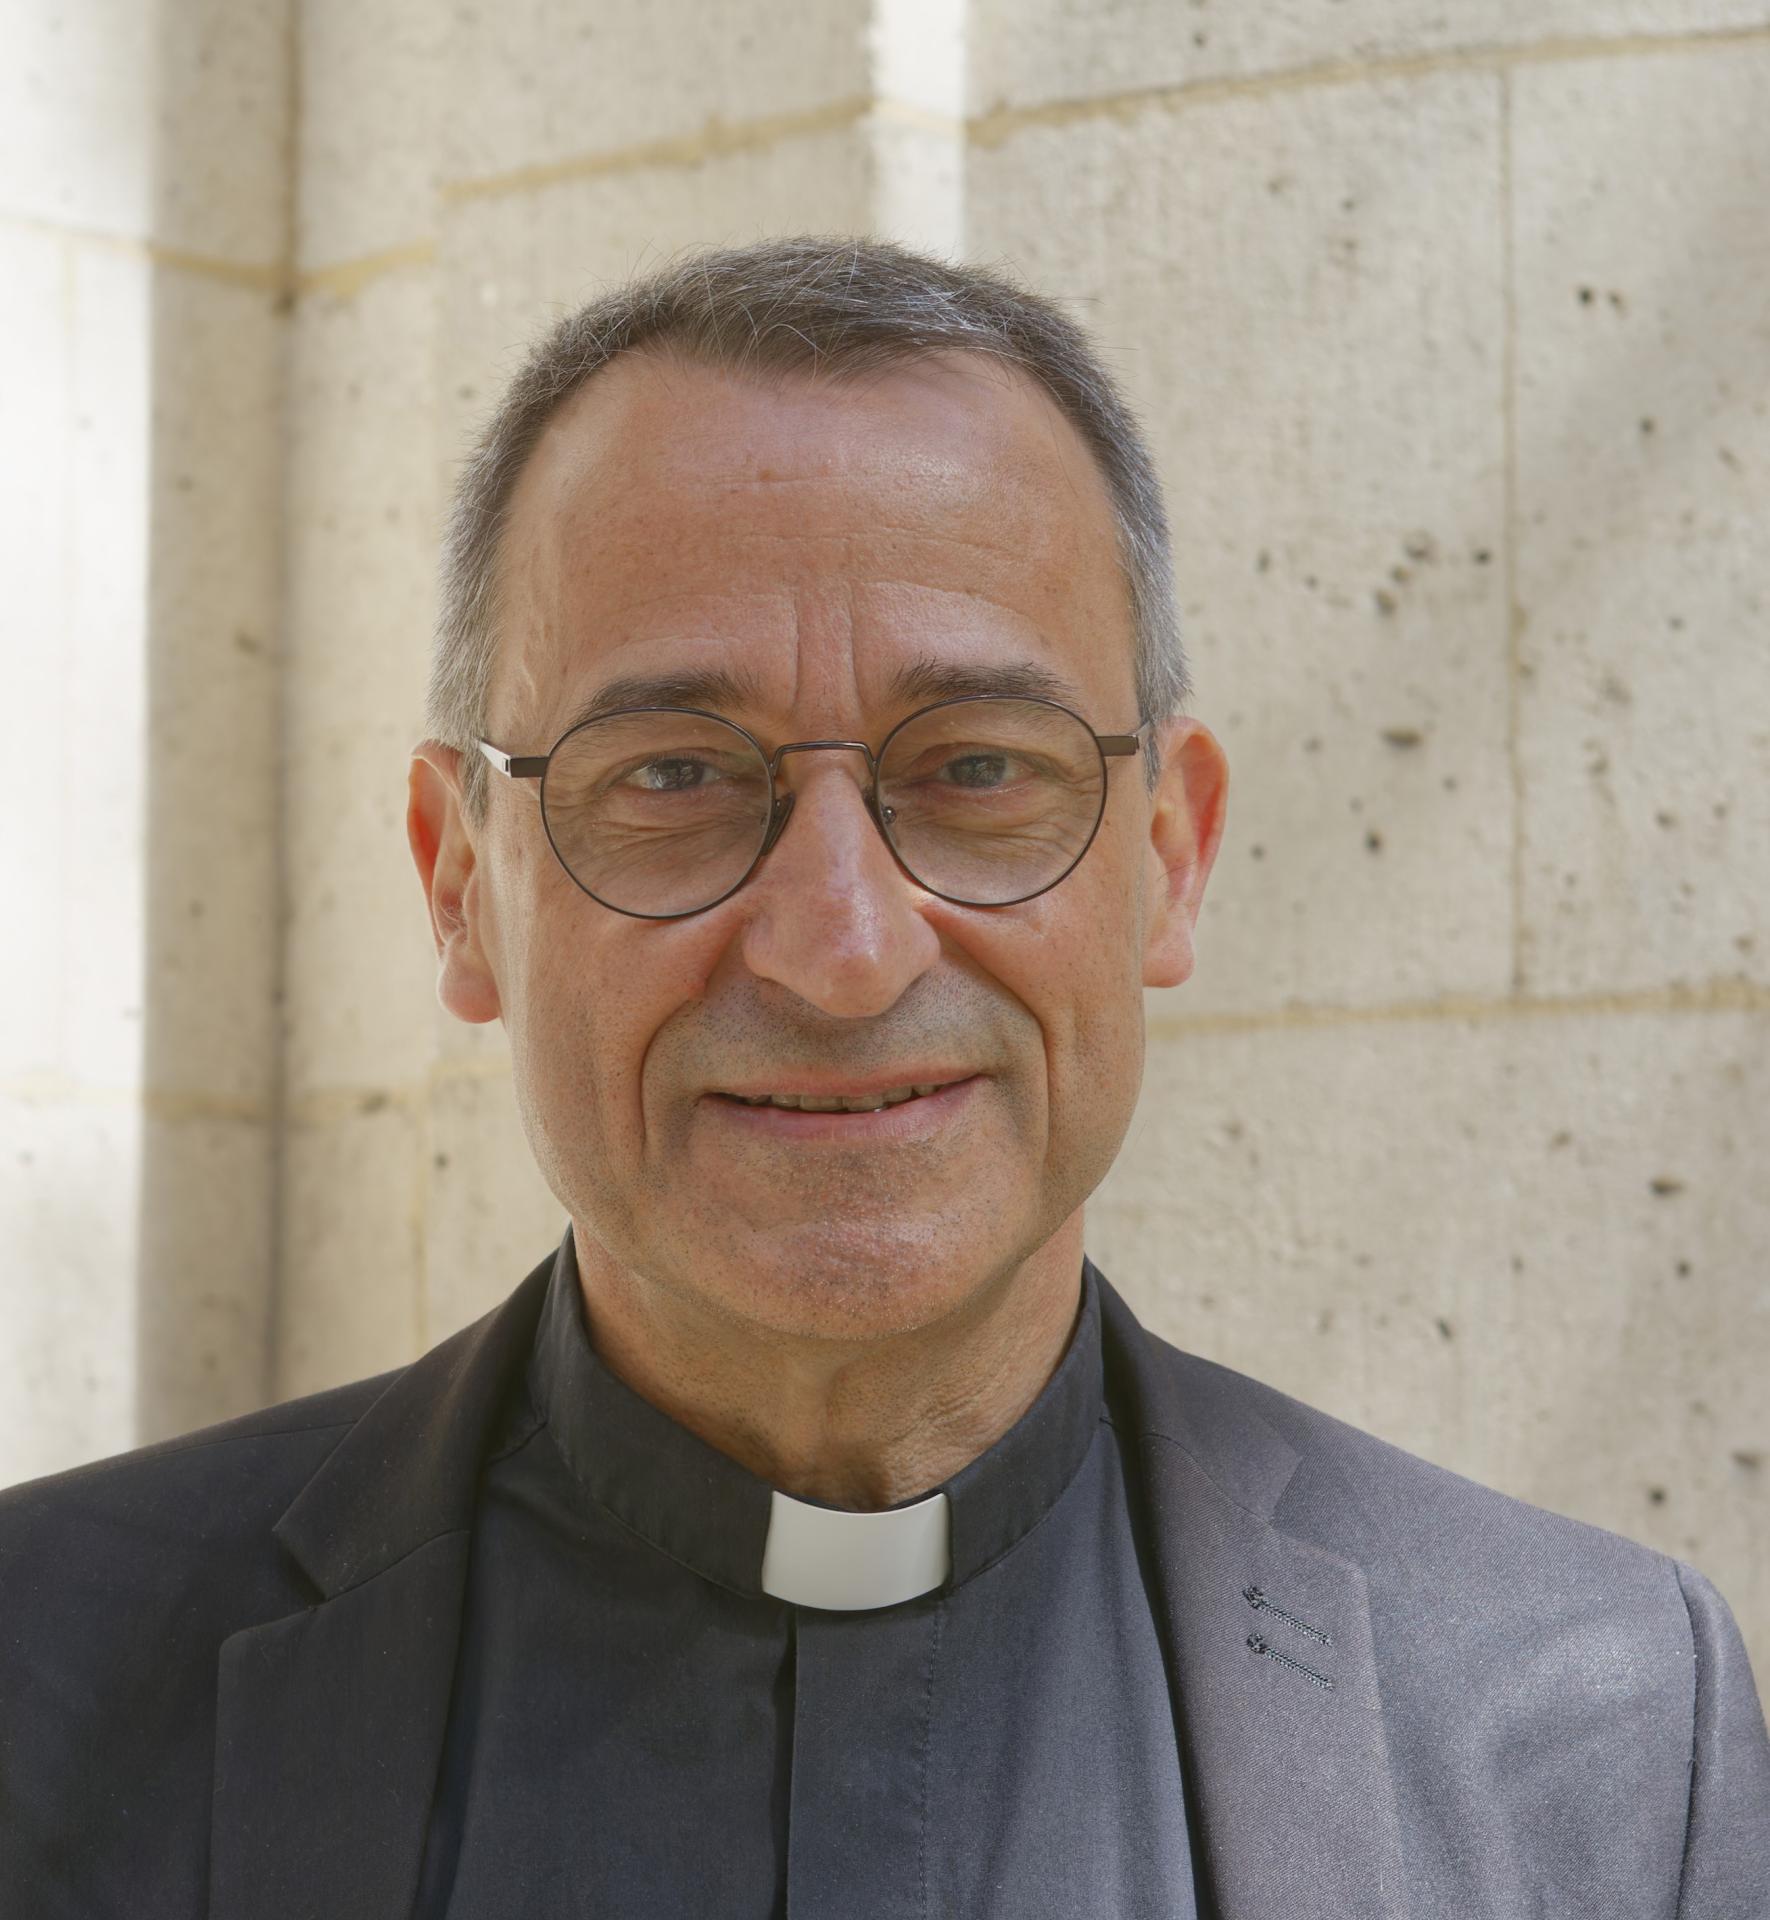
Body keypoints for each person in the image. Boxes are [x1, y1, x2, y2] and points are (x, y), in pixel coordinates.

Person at [1, 235, 1765, 1919]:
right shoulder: (38, 1680)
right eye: (673, 776)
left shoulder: (1591, 1732)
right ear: (461, 884)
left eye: (978, 769)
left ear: (1170, 857)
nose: (839, 948)